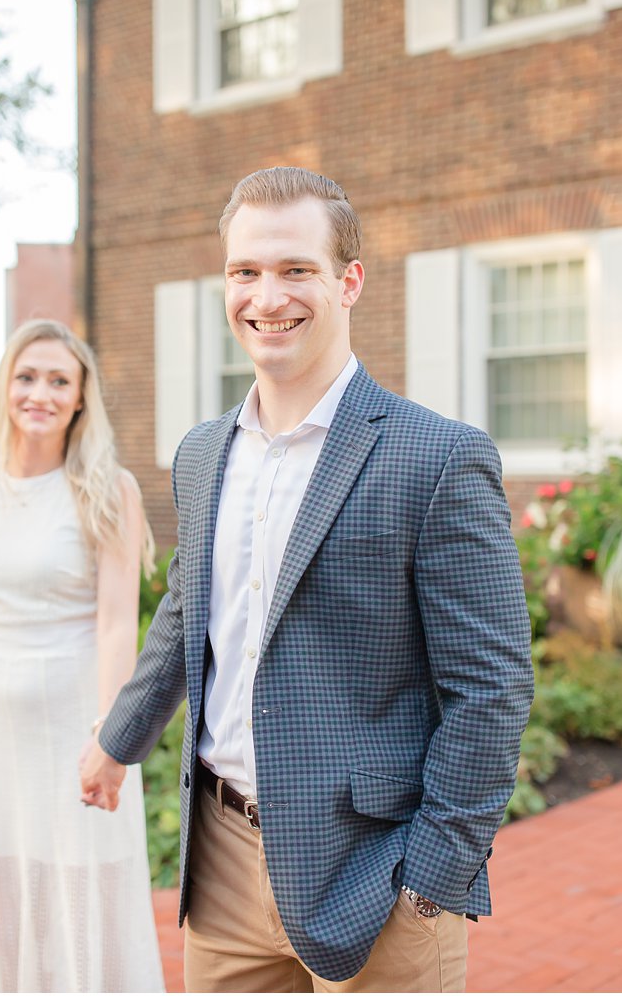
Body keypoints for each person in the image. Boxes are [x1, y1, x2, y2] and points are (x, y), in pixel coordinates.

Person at [79, 167, 533, 992]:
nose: (266, 296)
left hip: (374, 874)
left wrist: (432, 878)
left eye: (296, 270)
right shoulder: (202, 453)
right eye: (245, 271)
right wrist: (119, 741)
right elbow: (187, 614)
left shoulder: (436, 458)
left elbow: (492, 689)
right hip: (218, 862)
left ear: (349, 281)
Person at [0, 319, 165, 992]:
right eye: (27, 376)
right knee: (4, 891)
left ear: (81, 397)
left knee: (84, 892)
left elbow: (118, 625)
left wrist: (107, 741)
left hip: (75, 731)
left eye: (60, 380)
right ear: (6, 387)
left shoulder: (109, 490)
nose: (41, 393)